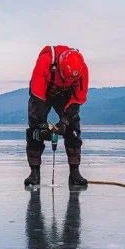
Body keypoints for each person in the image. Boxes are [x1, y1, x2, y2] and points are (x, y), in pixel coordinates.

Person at [24, 45, 89, 187]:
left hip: (66, 95)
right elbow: (38, 96)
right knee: (35, 130)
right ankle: (34, 172)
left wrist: (64, 121)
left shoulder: (82, 70)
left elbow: (77, 99)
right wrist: (43, 125)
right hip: (42, 93)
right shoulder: (45, 62)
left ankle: (74, 172)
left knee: (73, 128)